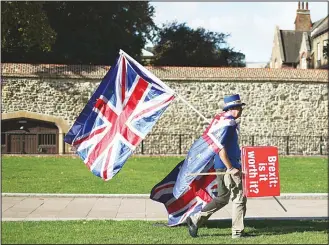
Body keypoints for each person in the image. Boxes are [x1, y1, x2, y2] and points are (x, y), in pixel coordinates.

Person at [186, 94, 249, 239]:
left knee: (222, 198)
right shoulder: (228, 124)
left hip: (221, 166)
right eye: (239, 107)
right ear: (233, 108)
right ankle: (237, 232)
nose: (241, 110)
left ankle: (196, 219)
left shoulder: (221, 121)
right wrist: (231, 167)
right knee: (239, 197)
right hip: (229, 166)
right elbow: (220, 147)